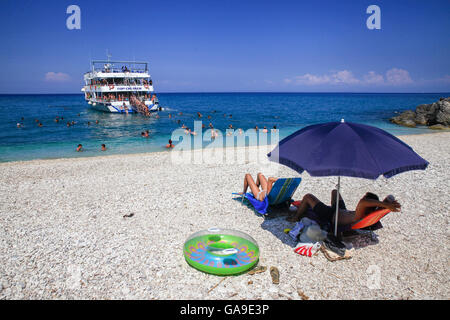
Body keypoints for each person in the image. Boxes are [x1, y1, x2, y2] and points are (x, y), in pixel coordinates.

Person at [287, 190, 401, 225]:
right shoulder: (364, 213)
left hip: (330, 215)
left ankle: (295, 218)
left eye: (365, 197)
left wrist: (386, 205)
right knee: (335, 192)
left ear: (369, 205)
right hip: (340, 211)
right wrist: (388, 202)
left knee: (308, 197)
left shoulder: (360, 214)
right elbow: (390, 197)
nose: (362, 197)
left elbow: (363, 202)